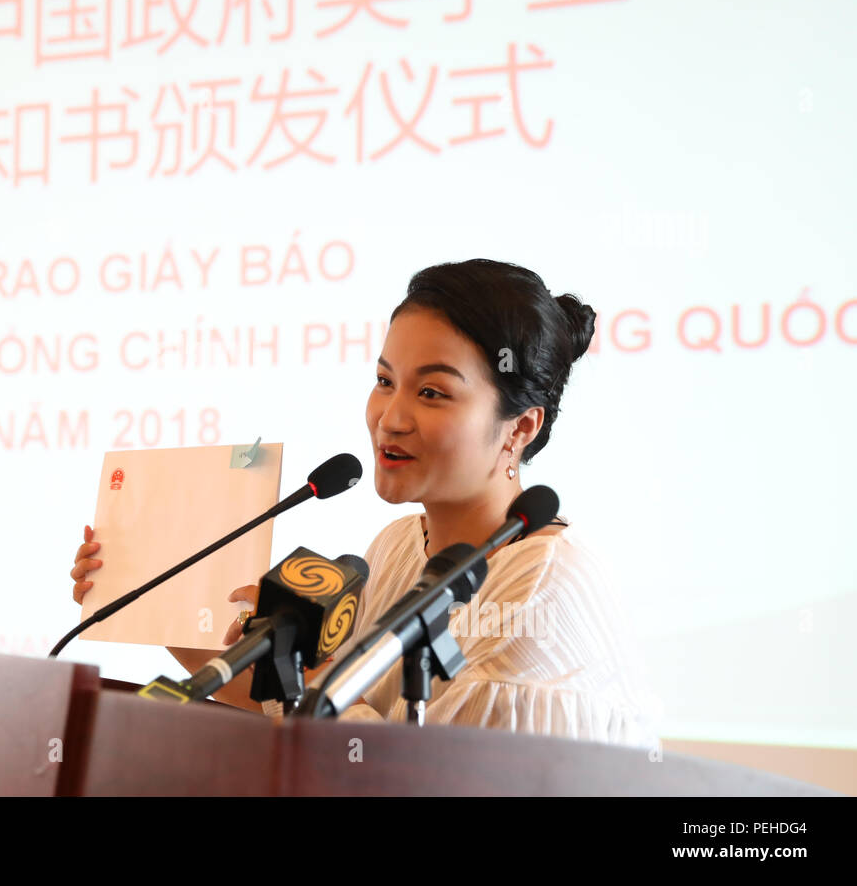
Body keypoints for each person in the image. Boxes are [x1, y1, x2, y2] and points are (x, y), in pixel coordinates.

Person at [71, 259, 662, 749]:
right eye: (385, 381)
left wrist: (310, 677)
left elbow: (424, 777)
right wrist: (152, 595)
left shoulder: (544, 585)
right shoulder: (398, 549)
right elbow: (305, 716)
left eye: (432, 392)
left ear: (518, 428)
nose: (391, 418)